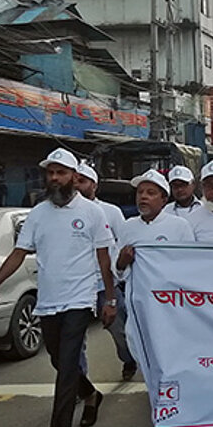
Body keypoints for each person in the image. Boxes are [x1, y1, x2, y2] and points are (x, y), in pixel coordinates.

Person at [0, 148, 116, 427]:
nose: (54, 178)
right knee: (57, 358)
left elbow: (104, 259)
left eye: (61, 173)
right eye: (50, 173)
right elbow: (18, 252)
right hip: (49, 300)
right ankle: (91, 394)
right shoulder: (38, 213)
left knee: (67, 361)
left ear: (73, 177)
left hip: (80, 298)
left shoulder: (92, 213)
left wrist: (109, 299)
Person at [114, 169, 195, 427]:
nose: (143, 198)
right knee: (149, 369)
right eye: (140, 193)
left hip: (171, 310)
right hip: (139, 309)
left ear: (164, 198)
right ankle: (164, 420)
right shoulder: (127, 227)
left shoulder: (179, 227)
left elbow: (191, 267)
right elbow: (118, 271)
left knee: (168, 367)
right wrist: (122, 261)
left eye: (150, 193)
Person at [74, 161, 135, 381]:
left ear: (94, 186)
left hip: (105, 283)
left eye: (83, 181)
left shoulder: (110, 212)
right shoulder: (62, 213)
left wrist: (118, 268)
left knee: (120, 330)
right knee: (74, 339)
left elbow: (123, 241)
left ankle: (129, 358)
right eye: (75, 181)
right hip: (77, 287)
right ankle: (79, 382)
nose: (77, 186)